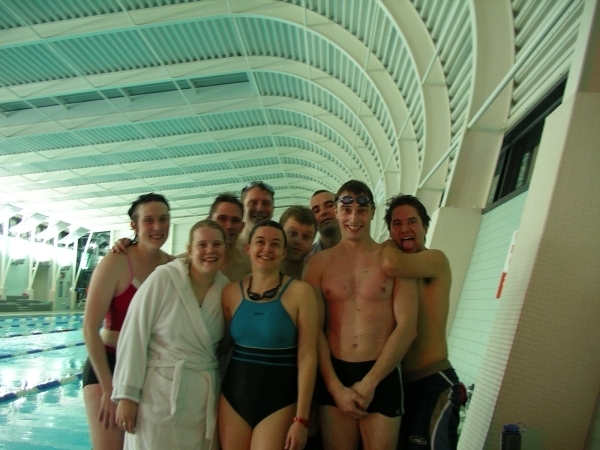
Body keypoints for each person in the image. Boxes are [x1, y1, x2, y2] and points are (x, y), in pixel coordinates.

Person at [303, 180, 418, 450]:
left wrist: (370, 383)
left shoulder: (394, 261)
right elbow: (313, 330)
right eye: (347, 210)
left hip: (383, 372)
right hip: (335, 373)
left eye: (362, 211)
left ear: (373, 212)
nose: (354, 219)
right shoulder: (317, 265)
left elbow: (407, 327)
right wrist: (334, 387)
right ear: (337, 212)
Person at [112, 219, 230, 450]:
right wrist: (127, 395)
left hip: (200, 403)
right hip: (157, 397)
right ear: (190, 250)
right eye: (202, 245)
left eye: (217, 244)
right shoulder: (164, 278)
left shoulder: (225, 289)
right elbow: (134, 334)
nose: (210, 250)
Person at [219, 220, 318, 450]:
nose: (267, 249)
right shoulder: (230, 292)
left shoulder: (301, 293)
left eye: (275, 244)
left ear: (283, 253)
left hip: (279, 401)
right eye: (260, 242)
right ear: (248, 248)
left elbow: (307, 357)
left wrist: (302, 418)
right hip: (233, 398)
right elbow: (219, 347)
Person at [83, 193, 172, 450]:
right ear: (134, 225)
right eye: (149, 220)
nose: (157, 227)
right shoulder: (116, 262)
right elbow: (89, 329)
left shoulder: (172, 266)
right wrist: (109, 389)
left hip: (148, 370)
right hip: (109, 365)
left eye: (163, 219)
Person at [380, 194, 463, 450]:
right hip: (401, 385)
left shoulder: (435, 260)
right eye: (396, 224)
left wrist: (387, 244)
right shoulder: (401, 273)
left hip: (433, 382)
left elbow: (391, 263)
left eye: (412, 222)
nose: (404, 228)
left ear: (425, 226)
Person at [234, 181, 276, 277]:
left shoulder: (281, 250)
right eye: (253, 203)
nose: (260, 208)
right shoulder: (229, 249)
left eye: (266, 203)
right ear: (242, 208)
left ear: (273, 209)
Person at [208, 193, 247, 282]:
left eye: (235, 220)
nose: (229, 226)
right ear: (209, 222)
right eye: (222, 219)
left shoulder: (249, 267)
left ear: (242, 227)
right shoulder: (186, 263)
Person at [279, 205, 317, 279]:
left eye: (306, 237)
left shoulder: (317, 280)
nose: (298, 241)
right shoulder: (261, 274)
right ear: (279, 233)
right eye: (292, 233)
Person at [308, 190, 341, 257]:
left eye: (329, 205)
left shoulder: (362, 248)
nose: (323, 212)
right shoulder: (307, 259)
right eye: (316, 210)